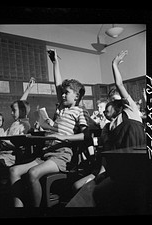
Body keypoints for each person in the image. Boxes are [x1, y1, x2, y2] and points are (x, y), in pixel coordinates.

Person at [66, 50, 147, 214]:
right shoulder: (110, 126)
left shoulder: (131, 111)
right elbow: (107, 154)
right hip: (119, 170)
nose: (114, 101)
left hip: (139, 168)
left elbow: (119, 84)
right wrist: (102, 173)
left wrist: (114, 64)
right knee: (96, 192)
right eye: (112, 99)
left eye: (116, 99)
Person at [9, 49, 91, 207]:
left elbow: (85, 136)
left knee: (33, 173)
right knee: (14, 171)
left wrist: (64, 137)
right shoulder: (61, 108)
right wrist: (55, 63)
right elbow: (58, 85)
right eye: (63, 93)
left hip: (63, 155)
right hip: (48, 152)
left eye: (67, 93)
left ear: (77, 96)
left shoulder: (79, 111)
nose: (63, 95)